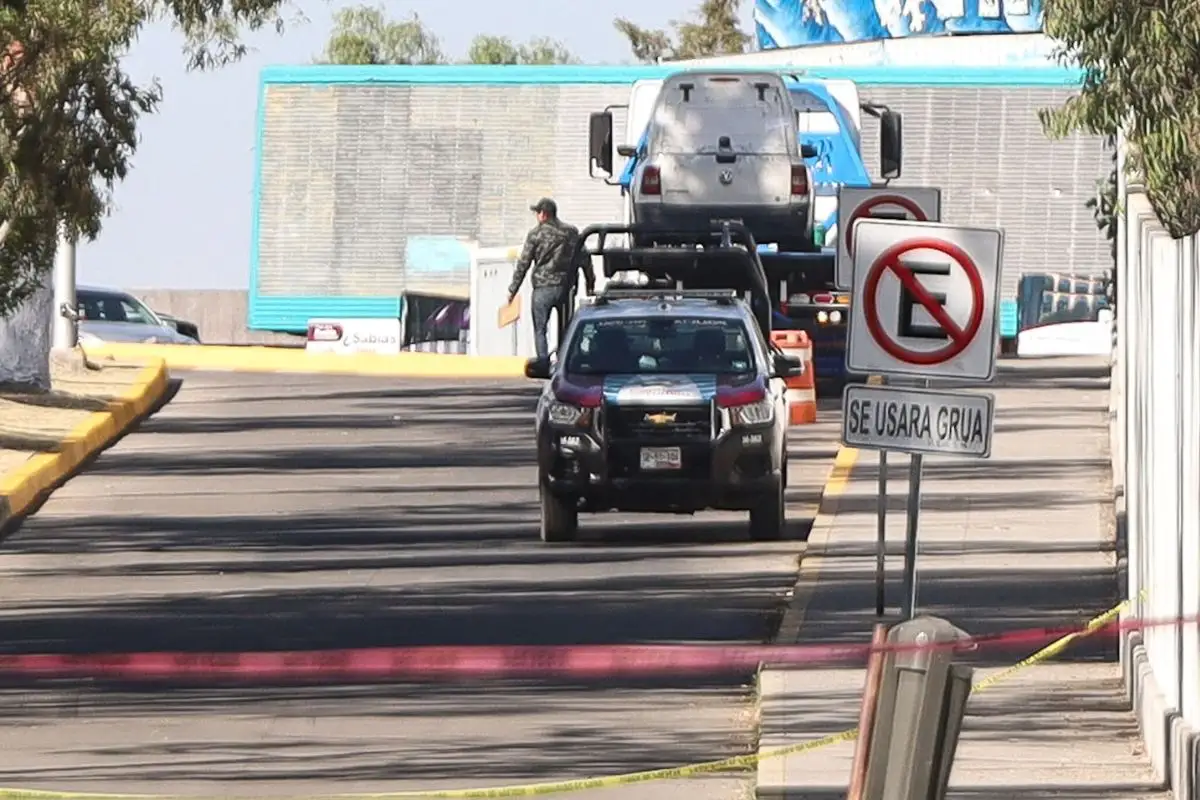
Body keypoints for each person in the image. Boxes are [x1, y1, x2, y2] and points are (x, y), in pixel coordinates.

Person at [507, 198, 595, 360]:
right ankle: (564, 361)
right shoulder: (571, 233)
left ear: (543, 214)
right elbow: (585, 259)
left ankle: (543, 362)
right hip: (566, 288)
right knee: (567, 329)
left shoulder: (535, 234)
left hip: (543, 288)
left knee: (540, 329)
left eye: (537, 213)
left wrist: (513, 290)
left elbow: (523, 264)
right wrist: (590, 284)